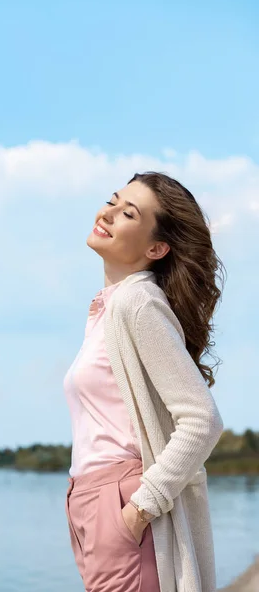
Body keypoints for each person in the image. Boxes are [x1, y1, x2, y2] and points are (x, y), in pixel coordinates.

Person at [63, 171, 225, 592]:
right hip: (92, 503)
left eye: (128, 212)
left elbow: (202, 420)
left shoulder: (137, 303)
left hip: (121, 503)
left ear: (156, 248)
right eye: (112, 201)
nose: (109, 213)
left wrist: (138, 509)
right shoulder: (108, 308)